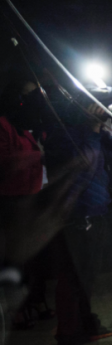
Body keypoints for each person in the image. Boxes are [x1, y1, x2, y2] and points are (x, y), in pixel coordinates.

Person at [46, 98, 112, 345]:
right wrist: (94, 130)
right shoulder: (62, 134)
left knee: (86, 278)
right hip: (75, 215)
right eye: (91, 104)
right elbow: (84, 165)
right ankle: (68, 344)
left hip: (95, 212)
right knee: (72, 281)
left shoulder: (91, 132)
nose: (97, 109)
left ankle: (86, 325)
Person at [0, 77, 55, 328]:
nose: (35, 100)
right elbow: (5, 161)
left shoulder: (37, 124)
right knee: (15, 257)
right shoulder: (4, 124)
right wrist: (38, 156)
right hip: (14, 200)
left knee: (37, 256)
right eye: (28, 94)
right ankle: (16, 310)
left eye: (37, 94)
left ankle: (37, 300)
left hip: (37, 196)